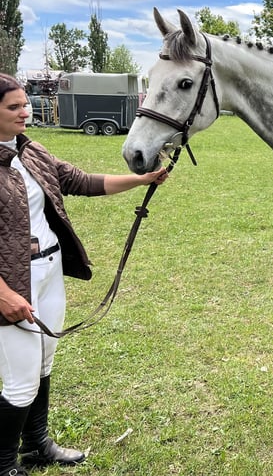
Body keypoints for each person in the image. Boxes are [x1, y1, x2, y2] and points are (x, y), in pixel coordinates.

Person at [0, 73, 169, 476]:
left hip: (50, 271)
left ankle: (37, 446)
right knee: (20, 382)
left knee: (42, 366)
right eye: (14, 107)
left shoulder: (32, 151)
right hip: (12, 284)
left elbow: (81, 182)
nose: (26, 111)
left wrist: (142, 179)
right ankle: (4, 464)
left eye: (25, 103)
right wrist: (2, 293)